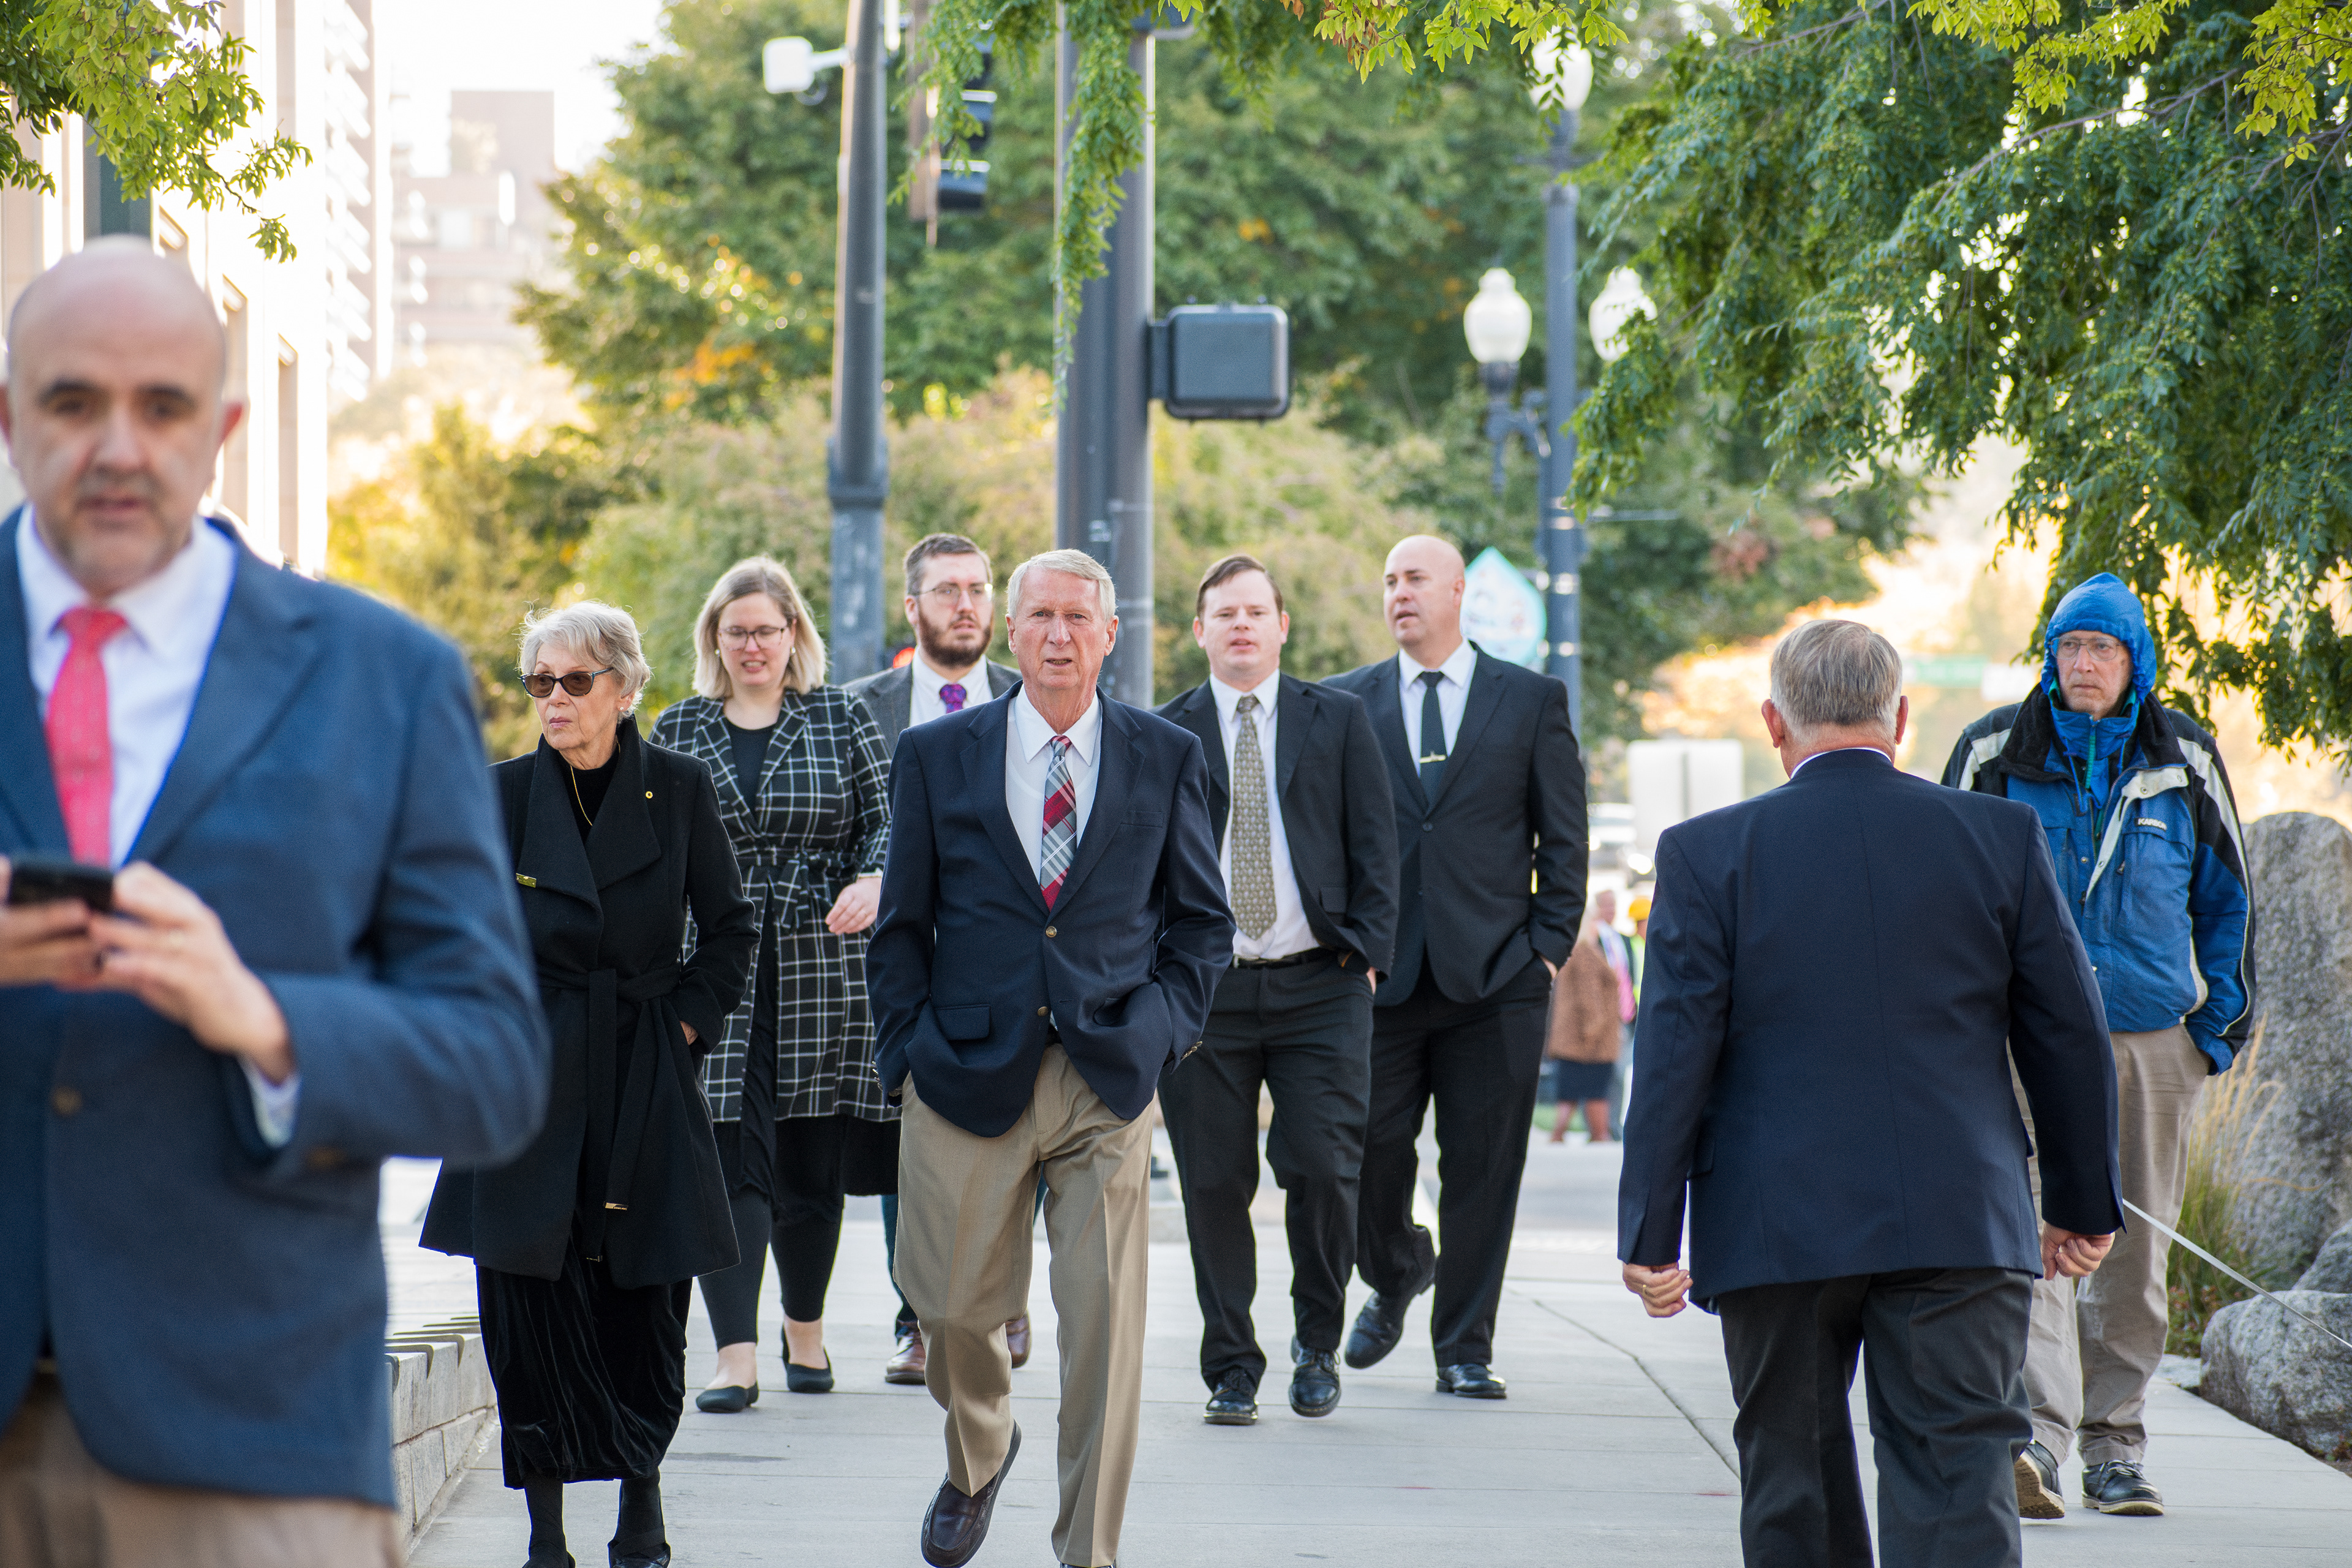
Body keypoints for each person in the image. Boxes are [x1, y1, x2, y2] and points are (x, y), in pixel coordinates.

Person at [0, 242, 546, 1567]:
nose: (119, 446)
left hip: (254, 1439)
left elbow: (494, 1067)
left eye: (164, 406)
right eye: (74, 403)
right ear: (10, 415)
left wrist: (268, 1019)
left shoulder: (385, 679)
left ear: (225, 428)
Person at [1619, 617, 2124, 1568]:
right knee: (1959, 1475)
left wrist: (1652, 1230)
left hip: (1775, 1221)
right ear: (1899, 718)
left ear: (1775, 723)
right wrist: (2080, 1203)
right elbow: (2066, 1029)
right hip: (1958, 1212)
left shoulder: (1706, 854)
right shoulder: (2000, 836)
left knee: (1793, 1480)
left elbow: (1675, 1052)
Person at [869, 548, 1232, 1568]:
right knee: (948, 1310)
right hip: (964, 1068)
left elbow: (1202, 926)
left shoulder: (1165, 754)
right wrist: (907, 1050)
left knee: (1106, 1339)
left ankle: (1089, 1553)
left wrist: (1161, 1034)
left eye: (1079, 617)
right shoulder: (939, 755)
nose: (1059, 634)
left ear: (1111, 635)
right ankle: (980, 1447)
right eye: (1040, 617)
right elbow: (901, 925)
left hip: (1108, 1073)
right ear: (1009, 631)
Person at [424, 601, 755, 1568]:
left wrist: (682, 1024)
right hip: (527, 1076)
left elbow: (731, 928)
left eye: (574, 682)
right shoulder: (500, 794)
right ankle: (546, 1536)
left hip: (643, 1068)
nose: (555, 702)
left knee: (645, 1292)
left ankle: (642, 1509)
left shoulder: (680, 788)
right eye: (539, 684)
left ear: (623, 687)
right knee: (527, 1302)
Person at [1940, 573, 2255, 1519]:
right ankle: (2035, 1438)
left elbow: (2230, 899)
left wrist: (2213, 1034)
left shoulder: (2183, 757)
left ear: (2136, 662)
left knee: (2132, 1252)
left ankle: (2117, 1449)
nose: (2084, 665)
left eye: (2104, 650)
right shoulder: (1994, 751)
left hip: (2151, 1046)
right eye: (2070, 647)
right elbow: (1943, 895)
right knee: (2033, 1241)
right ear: (2050, 655)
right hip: (2023, 1046)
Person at [1324, 534, 1586, 1399]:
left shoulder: (1530, 701)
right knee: (1360, 1154)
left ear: (1458, 592)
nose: (1399, 593)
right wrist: (1344, 946)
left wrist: (1544, 954)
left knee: (1484, 1167)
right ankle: (1398, 1267)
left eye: (1415, 579)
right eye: (1390, 579)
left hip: (1498, 982)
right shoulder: (1346, 704)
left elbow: (1565, 842)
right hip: (1379, 981)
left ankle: (1464, 1346)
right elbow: (1327, 842)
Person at [1156, 553, 1399, 1425]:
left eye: (1257, 611)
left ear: (1282, 625)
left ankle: (1316, 1343)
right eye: (1225, 614)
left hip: (1321, 985)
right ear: (1201, 631)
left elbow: (1379, 844)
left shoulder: (1339, 719)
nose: (1242, 626)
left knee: (1327, 1171)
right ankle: (1230, 1366)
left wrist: (1367, 957)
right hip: (1206, 993)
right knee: (1213, 1182)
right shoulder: (1167, 730)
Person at [647, 557, 894, 1406]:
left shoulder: (839, 716)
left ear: (795, 636)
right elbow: (646, 849)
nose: (753, 645)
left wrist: (872, 879)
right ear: (715, 639)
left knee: (808, 1160)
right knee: (724, 1153)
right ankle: (735, 1356)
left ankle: (806, 1334)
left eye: (767, 629)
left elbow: (887, 822)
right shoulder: (679, 727)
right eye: (737, 631)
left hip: (822, 958)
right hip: (716, 960)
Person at [845, 532, 1026, 1387]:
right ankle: (916, 1317)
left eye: (979, 588)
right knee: (909, 1135)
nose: (967, 604)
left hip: (1008, 963)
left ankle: (1003, 1299)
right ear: (912, 608)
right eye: (948, 590)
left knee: (1013, 1130)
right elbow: (840, 829)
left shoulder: (1038, 701)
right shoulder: (861, 709)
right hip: (908, 959)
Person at [1545, 914, 1621, 1144]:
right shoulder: (1585, 953)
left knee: (1570, 1090)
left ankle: (1560, 1135)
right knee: (1597, 1089)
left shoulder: (1571, 953)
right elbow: (1591, 998)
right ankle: (1600, 1135)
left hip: (1572, 1037)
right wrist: (1594, 1031)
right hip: (1589, 1039)